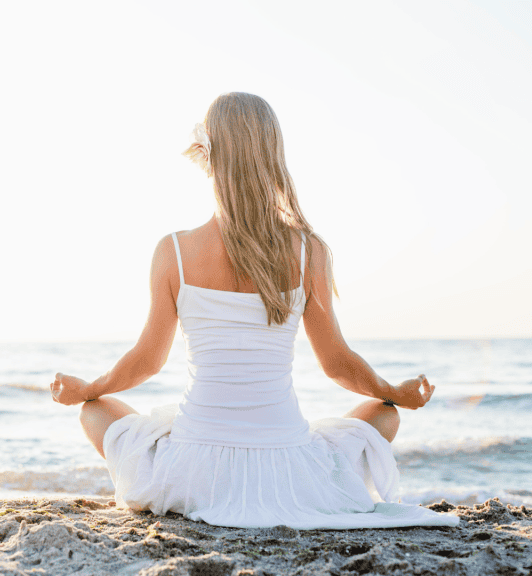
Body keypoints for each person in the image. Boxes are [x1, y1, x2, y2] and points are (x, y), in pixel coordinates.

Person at [50, 92, 459, 529]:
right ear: (272, 155)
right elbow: (338, 365)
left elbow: (147, 362)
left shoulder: (174, 251)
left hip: (194, 468)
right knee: (384, 416)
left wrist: (88, 388)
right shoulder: (309, 251)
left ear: (207, 156)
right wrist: (394, 392)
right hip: (288, 466)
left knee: (94, 411)